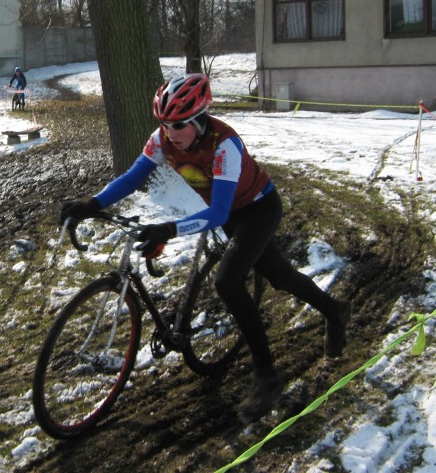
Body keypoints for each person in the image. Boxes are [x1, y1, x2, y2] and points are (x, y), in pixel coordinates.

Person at [59, 74, 352, 424]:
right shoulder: (163, 140)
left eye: (179, 124)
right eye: (164, 124)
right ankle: (335, 311)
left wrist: (168, 229)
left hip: (258, 208)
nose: (170, 132)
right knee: (282, 276)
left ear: (200, 119)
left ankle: (268, 376)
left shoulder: (224, 144)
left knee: (229, 283)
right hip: (230, 213)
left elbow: (218, 213)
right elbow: (133, 177)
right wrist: (92, 203)